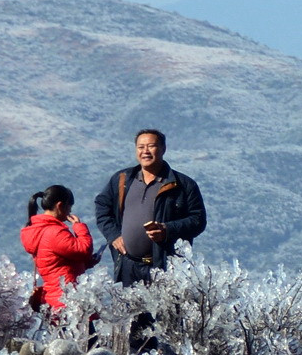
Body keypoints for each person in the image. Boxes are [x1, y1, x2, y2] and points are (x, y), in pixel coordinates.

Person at [97, 129, 208, 285]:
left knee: (165, 310)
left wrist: (167, 229)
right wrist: (113, 235)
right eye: (141, 147)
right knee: (130, 310)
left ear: (163, 149)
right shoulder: (122, 180)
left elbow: (198, 220)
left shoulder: (182, 184)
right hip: (128, 266)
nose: (145, 151)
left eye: (151, 146)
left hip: (166, 268)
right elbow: (102, 206)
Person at [21, 185, 98, 313]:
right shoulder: (55, 232)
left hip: (53, 300)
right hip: (67, 301)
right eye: (69, 207)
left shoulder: (38, 230)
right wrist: (79, 227)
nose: (69, 212)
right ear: (60, 205)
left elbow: (57, 263)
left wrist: (85, 264)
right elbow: (83, 250)